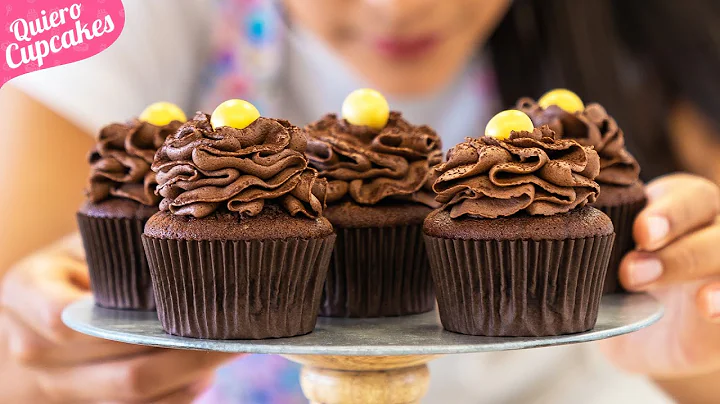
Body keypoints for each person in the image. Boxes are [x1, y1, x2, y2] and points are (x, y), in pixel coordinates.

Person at [2, 0, 720, 402]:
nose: (400, 8)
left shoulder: (659, 37)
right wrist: (24, 362)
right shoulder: (110, 17)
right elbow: (15, 314)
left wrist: (691, 355)